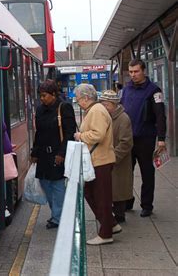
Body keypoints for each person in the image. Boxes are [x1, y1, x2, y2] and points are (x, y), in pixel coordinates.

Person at [73, 83, 119, 245]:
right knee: (92, 193)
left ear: (86, 98)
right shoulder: (94, 110)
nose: (77, 102)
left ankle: (106, 233)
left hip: (101, 161)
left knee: (101, 197)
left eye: (78, 98)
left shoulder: (97, 111)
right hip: (98, 160)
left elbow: (97, 135)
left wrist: (80, 135)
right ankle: (111, 224)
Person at [120, 59, 167, 217]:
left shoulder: (154, 90)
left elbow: (160, 115)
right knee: (126, 173)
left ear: (144, 71)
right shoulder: (126, 90)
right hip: (127, 139)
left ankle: (147, 205)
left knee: (147, 173)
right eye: (131, 72)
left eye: (136, 71)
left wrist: (161, 138)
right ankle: (127, 201)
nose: (133, 75)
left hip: (145, 139)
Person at [30, 79, 76, 229]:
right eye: (40, 96)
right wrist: (34, 152)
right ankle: (57, 213)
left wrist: (62, 153)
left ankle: (58, 217)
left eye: (44, 95)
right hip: (43, 154)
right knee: (45, 183)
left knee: (57, 185)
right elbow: (39, 132)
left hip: (57, 153)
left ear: (54, 94)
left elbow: (69, 133)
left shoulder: (64, 107)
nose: (42, 99)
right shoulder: (40, 109)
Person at [99, 90, 133, 223]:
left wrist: (113, 158)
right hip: (108, 159)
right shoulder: (106, 116)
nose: (104, 107)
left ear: (114, 104)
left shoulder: (123, 118)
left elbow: (126, 143)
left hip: (117, 161)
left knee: (119, 189)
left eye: (106, 105)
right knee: (111, 189)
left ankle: (120, 215)